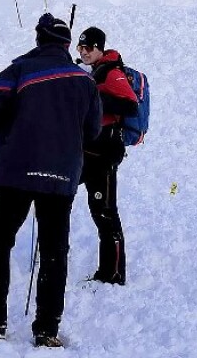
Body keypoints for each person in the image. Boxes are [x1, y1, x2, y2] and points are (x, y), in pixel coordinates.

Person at [0, 14, 101, 347]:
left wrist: (3, 136)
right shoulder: (85, 81)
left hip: (14, 171)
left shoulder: (20, 70)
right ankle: (46, 328)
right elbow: (93, 131)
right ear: (67, 44)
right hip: (60, 176)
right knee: (55, 251)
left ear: (39, 40)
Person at [75, 27, 139, 286]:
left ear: (100, 48)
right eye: (80, 47)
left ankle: (113, 273)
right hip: (87, 150)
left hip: (104, 154)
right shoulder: (93, 71)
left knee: (104, 212)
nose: (83, 51)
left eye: (88, 47)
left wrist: (95, 96)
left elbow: (130, 105)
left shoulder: (112, 73)